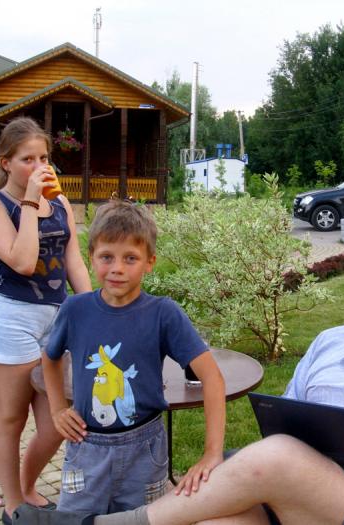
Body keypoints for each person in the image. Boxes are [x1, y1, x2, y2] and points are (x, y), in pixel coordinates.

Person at [14, 225, 344, 525]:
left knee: (274, 457)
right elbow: (288, 420)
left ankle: (103, 524)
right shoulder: (331, 341)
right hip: (301, 494)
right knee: (210, 518)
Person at [39, 199, 226, 516]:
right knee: (73, 521)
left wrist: (212, 452)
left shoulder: (164, 313)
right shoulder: (74, 310)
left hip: (145, 451)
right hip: (86, 448)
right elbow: (50, 357)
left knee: (143, 520)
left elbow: (212, 378)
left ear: (149, 262)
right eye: (107, 257)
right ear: (91, 256)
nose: (117, 268)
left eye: (130, 258)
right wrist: (57, 408)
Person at [0, 116, 92, 524]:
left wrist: (90, 310)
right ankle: (13, 504)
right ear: (6, 163)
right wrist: (29, 202)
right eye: (28, 159)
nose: (39, 167)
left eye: (44, 158)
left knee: (58, 422)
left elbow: (74, 260)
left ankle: (26, 486)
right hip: (11, 319)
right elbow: (23, 262)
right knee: (12, 417)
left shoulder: (60, 203)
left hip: (56, 320)